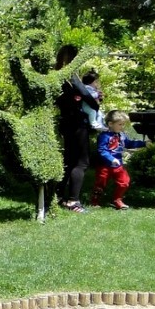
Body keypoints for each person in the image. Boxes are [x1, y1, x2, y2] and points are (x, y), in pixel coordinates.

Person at [55, 45, 101, 213]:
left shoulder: (56, 76)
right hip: (77, 123)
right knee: (81, 162)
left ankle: (58, 196)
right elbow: (87, 97)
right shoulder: (71, 77)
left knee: (69, 161)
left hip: (65, 122)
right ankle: (73, 201)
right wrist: (95, 106)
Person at [90, 111, 147, 209]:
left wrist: (144, 143)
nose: (122, 127)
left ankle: (117, 200)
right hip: (104, 165)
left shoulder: (122, 135)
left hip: (118, 165)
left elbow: (129, 144)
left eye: (123, 124)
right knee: (100, 183)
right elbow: (102, 150)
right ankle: (95, 201)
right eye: (120, 124)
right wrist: (111, 159)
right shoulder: (104, 136)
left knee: (124, 181)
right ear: (110, 124)